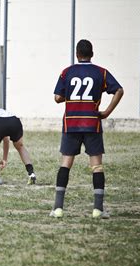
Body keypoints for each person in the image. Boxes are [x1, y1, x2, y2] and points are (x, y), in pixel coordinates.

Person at [50, 39, 123, 219]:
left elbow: (57, 97)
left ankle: (58, 208)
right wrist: (106, 112)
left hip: (71, 123)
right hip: (92, 123)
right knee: (96, 166)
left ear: (76, 54)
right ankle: (98, 209)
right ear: (92, 53)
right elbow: (119, 90)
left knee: (65, 163)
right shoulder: (101, 72)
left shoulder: (67, 72)